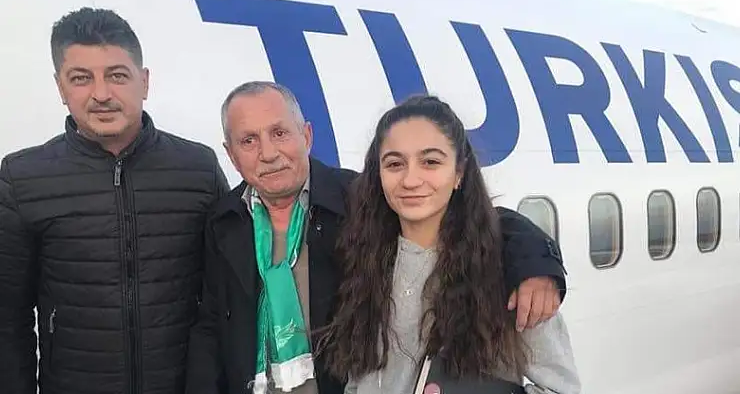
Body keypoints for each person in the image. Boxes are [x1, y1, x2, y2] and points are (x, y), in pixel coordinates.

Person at [185, 82, 569, 394]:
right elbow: (211, 325)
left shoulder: (353, 202)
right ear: (231, 155)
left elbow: (475, 219)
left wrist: (536, 260)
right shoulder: (224, 221)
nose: (268, 153)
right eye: (248, 141)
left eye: (279, 133)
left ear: (307, 136)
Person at [0, 8, 229, 394]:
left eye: (117, 75)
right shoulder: (22, 178)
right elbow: (8, 320)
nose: (102, 94)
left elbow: (225, 298)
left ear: (144, 81)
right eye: (81, 78)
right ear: (60, 88)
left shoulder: (198, 168)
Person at [316, 94, 580, 394]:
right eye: (395, 164)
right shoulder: (365, 261)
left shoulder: (508, 269)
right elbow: (360, 379)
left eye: (430, 162)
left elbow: (562, 388)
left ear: (459, 173)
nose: (410, 180)